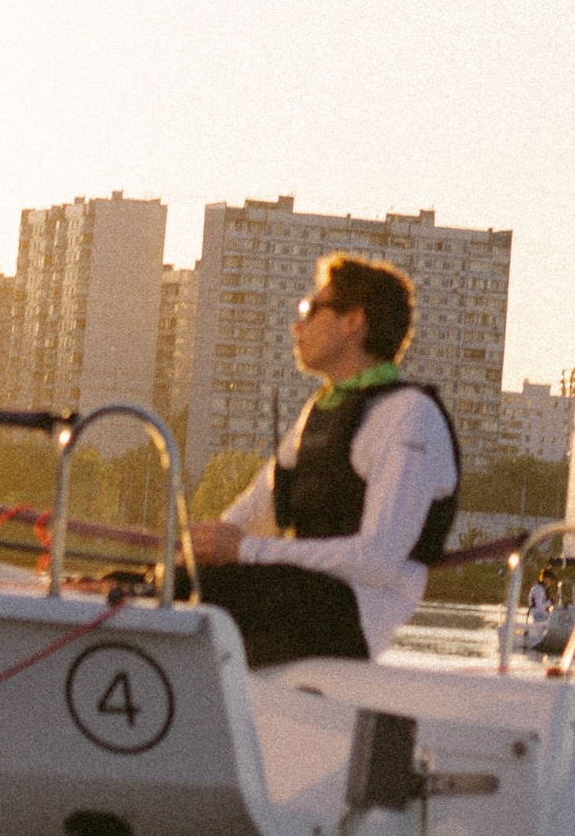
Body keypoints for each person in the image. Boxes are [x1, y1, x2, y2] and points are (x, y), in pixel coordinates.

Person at [187, 255, 461, 668]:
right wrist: (200, 545)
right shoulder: (318, 414)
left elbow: (378, 560)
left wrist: (245, 551)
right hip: (297, 593)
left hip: (354, 613)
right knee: (161, 583)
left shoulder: (409, 417)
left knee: (193, 593)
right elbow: (249, 515)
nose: (297, 326)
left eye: (309, 311)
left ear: (353, 321)